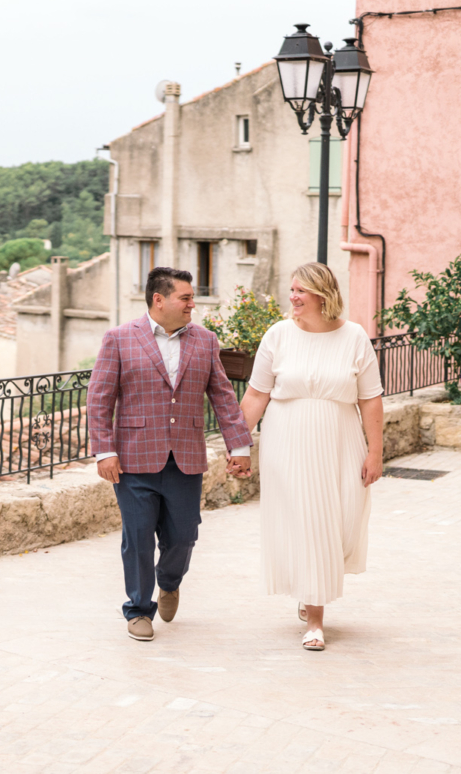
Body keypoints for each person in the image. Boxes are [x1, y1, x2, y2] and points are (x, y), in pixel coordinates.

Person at [87, 266, 255, 642]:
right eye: (186, 298)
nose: (192, 304)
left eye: (192, 298)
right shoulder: (118, 339)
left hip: (185, 458)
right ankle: (137, 610)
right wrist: (104, 450)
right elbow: (99, 400)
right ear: (158, 299)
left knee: (183, 536)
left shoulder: (205, 340)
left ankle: (169, 581)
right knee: (139, 537)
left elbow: (223, 397)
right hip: (132, 459)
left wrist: (239, 446)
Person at [238, 262, 383, 651]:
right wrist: (238, 444)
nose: (293, 297)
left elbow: (371, 399)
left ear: (323, 294)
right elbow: (256, 396)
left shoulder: (354, 338)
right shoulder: (278, 335)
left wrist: (376, 451)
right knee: (310, 522)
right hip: (287, 440)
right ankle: (316, 621)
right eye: (292, 289)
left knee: (345, 523)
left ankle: (311, 585)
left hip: (340, 439)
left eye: (301, 290)